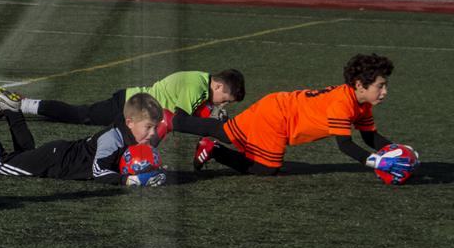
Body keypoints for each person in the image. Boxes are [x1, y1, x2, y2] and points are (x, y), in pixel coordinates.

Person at [174, 53, 408, 178]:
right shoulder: (342, 104)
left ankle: (185, 128)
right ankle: (191, 133)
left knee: (227, 132)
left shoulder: (361, 104)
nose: (385, 92)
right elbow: (345, 145)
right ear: (359, 85)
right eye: (380, 86)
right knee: (266, 168)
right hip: (277, 116)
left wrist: (397, 149)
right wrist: (377, 162)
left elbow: (369, 137)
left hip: (278, 107)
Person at [0, 91, 166, 186]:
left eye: (154, 128)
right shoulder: (113, 138)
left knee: (23, 155)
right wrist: (129, 181)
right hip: (56, 161)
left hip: (58, 154)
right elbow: (98, 172)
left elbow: (128, 163)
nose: (152, 134)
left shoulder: (130, 137)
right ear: (130, 122)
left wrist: (151, 170)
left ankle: (12, 109)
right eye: (148, 127)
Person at [0, 69, 245, 126]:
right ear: (218, 85)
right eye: (225, 98)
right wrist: (214, 127)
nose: (222, 103)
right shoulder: (196, 86)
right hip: (129, 105)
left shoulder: (201, 84)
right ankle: (20, 104)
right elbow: (181, 121)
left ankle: (16, 107)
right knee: (81, 115)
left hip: (136, 109)